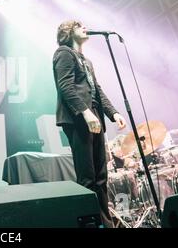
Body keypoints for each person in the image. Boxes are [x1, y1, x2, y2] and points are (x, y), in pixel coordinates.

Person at [52, 20, 127, 228]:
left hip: (94, 116)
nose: (85, 28)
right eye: (79, 26)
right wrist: (85, 113)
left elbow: (97, 90)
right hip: (78, 118)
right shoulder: (63, 53)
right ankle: (92, 224)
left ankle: (106, 222)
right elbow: (65, 86)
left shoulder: (86, 60)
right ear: (68, 32)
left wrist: (113, 113)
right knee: (87, 177)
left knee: (101, 176)